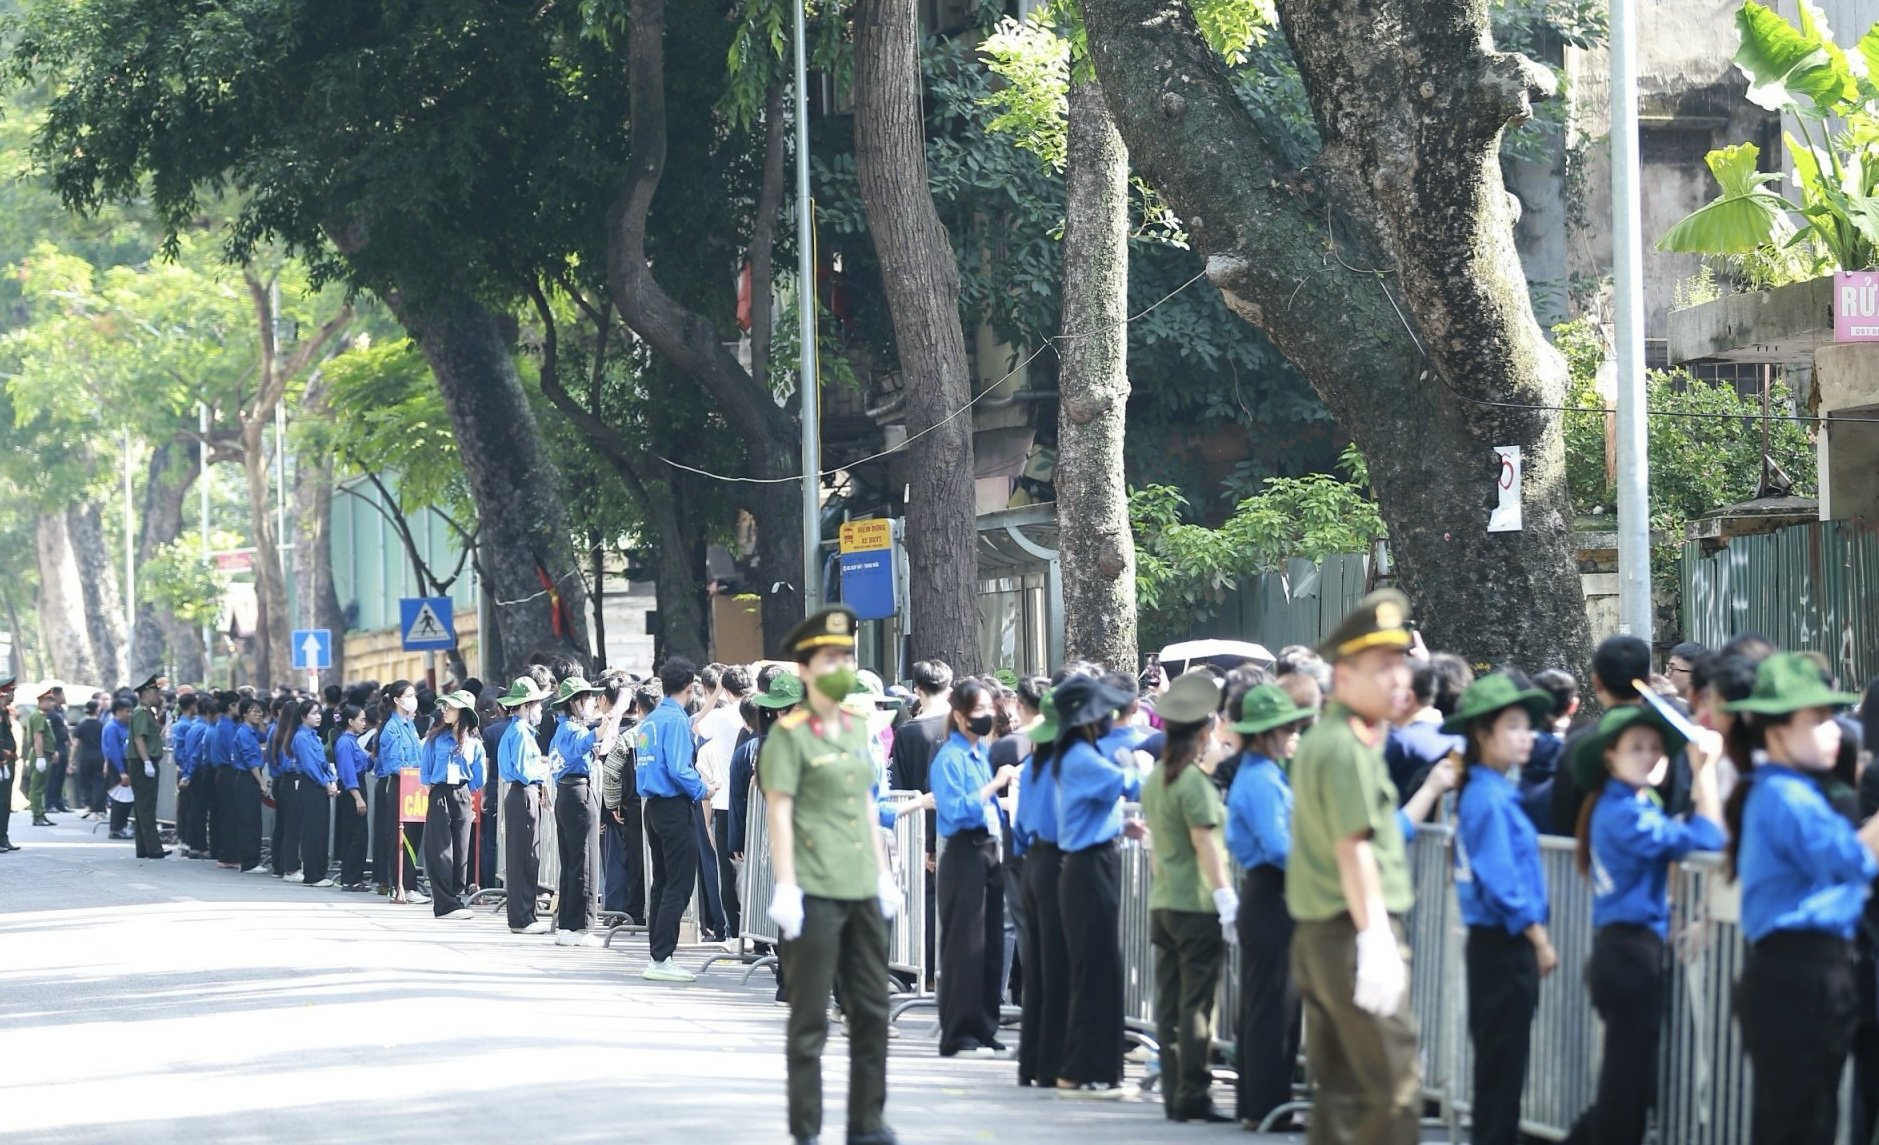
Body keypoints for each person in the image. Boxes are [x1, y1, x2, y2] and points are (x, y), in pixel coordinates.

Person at [757, 605, 898, 1145]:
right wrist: (788, 886)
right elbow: (780, 813)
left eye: (847, 657)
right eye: (832, 657)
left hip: (862, 885)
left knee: (871, 1010)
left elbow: (865, 801)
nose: (841, 665)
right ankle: (807, 1129)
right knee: (810, 1020)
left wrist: (883, 875)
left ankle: (867, 1121)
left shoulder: (858, 728)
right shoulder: (789, 737)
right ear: (808, 668)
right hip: (814, 890)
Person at [1725, 653, 1878, 1145]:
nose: (1833, 730)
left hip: (1796, 977)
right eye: (1816, 720)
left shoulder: (1785, 792)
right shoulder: (1788, 797)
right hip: (1799, 979)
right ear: (1775, 732)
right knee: (1803, 1126)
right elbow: (1852, 861)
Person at [1287, 588, 1421, 1142]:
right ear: (1343, 676)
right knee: (1391, 1089)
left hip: (1328, 930)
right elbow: (1354, 847)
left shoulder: (1335, 737)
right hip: (1351, 926)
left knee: (1340, 1093)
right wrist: (1376, 940)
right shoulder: (1345, 746)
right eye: (1382, 667)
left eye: (1401, 664)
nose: (1399, 679)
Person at [1559, 702, 1722, 1145]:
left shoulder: (1627, 805)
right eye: (1636, 748)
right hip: (1629, 955)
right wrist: (1704, 774)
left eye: (1655, 747)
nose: (1650, 755)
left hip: (1628, 952)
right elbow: (1707, 838)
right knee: (1625, 1086)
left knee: (1627, 1080)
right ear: (1610, 757)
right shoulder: (1626, 813)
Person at [1445, 672, 1557, 1145]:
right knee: (1502, 1067)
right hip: (1504, 947)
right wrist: (1539, 937)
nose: (1524, 735)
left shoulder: (1489, 791)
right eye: (1512, 726)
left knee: (1500, 1065)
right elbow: (1502, 881)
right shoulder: (1487, 797)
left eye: (1526, 725)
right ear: (1483, 735)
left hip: (1496, 947)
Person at [1142, 672, 1238, 1123]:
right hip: (1196, 903)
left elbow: (1160, 847)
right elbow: (1206, 846)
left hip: (1164, 900)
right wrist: (1225, 897)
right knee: (1197, 1005)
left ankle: (1175, 1094)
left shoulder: (1158, 778)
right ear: (1203, 730)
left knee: (1170, 1003)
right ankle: (1193, 1092)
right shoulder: (1194, 783)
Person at [1222, 683, 1315, 1129]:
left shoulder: (1265, 773)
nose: (1293, 734)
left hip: (1270, 893)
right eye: (1286, 728)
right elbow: (1279, 846)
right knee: (1271, 1007)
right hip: (1272, 892)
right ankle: (1266, 1107)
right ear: (1265, 734)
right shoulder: (1261, 779)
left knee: (1270, 1005)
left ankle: (1259, 1105)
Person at [1050, 671, 1143, 1098]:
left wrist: (1123, 828)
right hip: (1089, 870)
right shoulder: (1081, 758)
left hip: (1092, 864)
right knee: (1095, 972)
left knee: (1098, 970)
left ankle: (1093, 1069)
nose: (1110, 716)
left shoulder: (1075, 754)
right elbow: (1127, 783)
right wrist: (1142, 760)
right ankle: (1082, 1070)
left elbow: (1097, 809)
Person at [931, 677, 1018, 1058]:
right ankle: (960, 1033)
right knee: (964, 947)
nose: (987, 716)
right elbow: (955, 810)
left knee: (990, 945)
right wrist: (993, 786)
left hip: (988, 849)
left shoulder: (978, 752)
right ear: (960, 715)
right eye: (979, 711)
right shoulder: (949, 757)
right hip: (963, 852)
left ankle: (985, 1026)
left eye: (989, 710)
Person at [637, 657, 711, 982]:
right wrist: (704, 789)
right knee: (679, 884)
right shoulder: (676, 721)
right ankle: (662, 957)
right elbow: (680, 768)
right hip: (674, 806)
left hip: (652, 807)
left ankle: (658, 953)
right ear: (690, 686)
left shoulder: (650, 720)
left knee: (662, 882)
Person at [549, 676, 625, 945]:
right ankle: (580, 927)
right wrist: (609, 719)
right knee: (585, 861)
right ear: (575, 701)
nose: (591, 702)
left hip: (566, 794)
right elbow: (590, 739)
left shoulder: (562, 729)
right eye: (587, 697)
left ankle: (567, 926)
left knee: (572, 861)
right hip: (579, 794)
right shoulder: (572, 729)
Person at [422, 690, 486, 920]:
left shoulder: (475, 744)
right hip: (439, 793)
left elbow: (479, 778)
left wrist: (466, 791)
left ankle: (455, 897)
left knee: (461, 850)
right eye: (444, 707)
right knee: (439, 850)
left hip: (462, 793)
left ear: (464, 712)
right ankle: (444, 903)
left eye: (450, 707)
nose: (444, 711)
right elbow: (426, 772)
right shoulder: (434, 739)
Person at [497, 676, 554, 934]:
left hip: (524, 793)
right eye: (538, 705)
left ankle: (524, 915)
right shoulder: (520, 732)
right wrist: (544, 768)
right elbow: (523, 769)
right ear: (525, 705)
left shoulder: (519, 731)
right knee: (523, 857)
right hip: (523, 793)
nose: (540, 710)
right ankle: (522, 918)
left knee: (526, 856)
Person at [374, 681, 427, 903]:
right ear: (397, 700)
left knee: (414, 834)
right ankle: (402, 885)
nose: (413, 699)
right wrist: (415, 766)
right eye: (409, 695)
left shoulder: (410, 725)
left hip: (415, 785)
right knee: (401, 835)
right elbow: (395, 763)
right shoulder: (392, 728)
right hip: (399, 784)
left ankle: (410, 882)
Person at [285, 700, 336, 886]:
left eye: (319, 712)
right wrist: (325, 783)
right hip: (310, 786)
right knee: (312, 832)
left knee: (321, 830)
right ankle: (312, 874)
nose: (318, 716)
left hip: (321, 786)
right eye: (314, 713)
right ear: (303, 716)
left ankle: (319, 872)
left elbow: (323, 762)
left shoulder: (315, 737)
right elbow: (309, 766)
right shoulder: (301, 738)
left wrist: (331, 780)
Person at [127, 675, 169, 860]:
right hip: (143, 762)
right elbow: (139, 739)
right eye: (155, 691)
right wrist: (146, 762)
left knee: (143, 806)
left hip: (145, 761)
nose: (157, 694)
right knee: (146, 806)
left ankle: (144, 847)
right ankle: (153, 848)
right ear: (145, 693)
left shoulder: (147, 712)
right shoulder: (140, 713)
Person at [333, 704, 373, 891]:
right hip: (352, 791)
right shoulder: (344, 743)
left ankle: (353, 877)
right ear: (350, 721)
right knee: (355, 835)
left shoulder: (353, 741)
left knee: (357, 834)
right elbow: (348, 772)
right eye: (361, 719)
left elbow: (364, 763)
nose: (364, 723)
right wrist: (357, 797)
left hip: (358, 785)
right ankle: (350, 879)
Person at [230, 697, 269, 873]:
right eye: (254, 711)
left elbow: (264, 736)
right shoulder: (244, 733)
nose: (258, 714)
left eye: (260, 711)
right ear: (244, 713)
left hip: (250, 777)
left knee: (253, 819)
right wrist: (261, 782)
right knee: (249, 821)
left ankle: (251, 859)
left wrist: (260, 720)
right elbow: (250, 760)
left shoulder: (250, 730)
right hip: (247, 777)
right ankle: (249, 862)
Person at [102, 697, 134, 839]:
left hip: (125, 762)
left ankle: (120, 826)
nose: (129, 714)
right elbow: (113, 750)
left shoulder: (126, 726)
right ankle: (116, 828)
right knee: (121, 799)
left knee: (126, 798)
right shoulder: (111, 727)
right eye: (127, 711)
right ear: (119, 711)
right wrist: (122, 772)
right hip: (118, 764)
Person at [24, 689, 55, 827]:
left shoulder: (42, 716)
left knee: (41, 786)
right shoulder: (38, 717)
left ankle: (41, 813)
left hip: (44, 754)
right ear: (41, 701)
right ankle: (37, 815)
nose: (51, 703)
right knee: (37, 787)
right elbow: (38, 737)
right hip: (39, 754)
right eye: (48, 700)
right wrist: (40, 757)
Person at [72, 699, 106, 821]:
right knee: (99, 782)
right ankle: (99, 809)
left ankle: (88, 805)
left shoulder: (81, 725)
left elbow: (75, 744)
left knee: (86, 781)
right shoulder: (102, 725)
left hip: (85, 756)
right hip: (100, 756)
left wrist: (72, 760)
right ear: (97, 710)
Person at [0, 676, 17, 853]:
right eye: (11, 690)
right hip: (2, 761)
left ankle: (3, 837)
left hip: (7, 760)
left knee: (5, 802)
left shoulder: (4, 711)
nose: (12, 694)